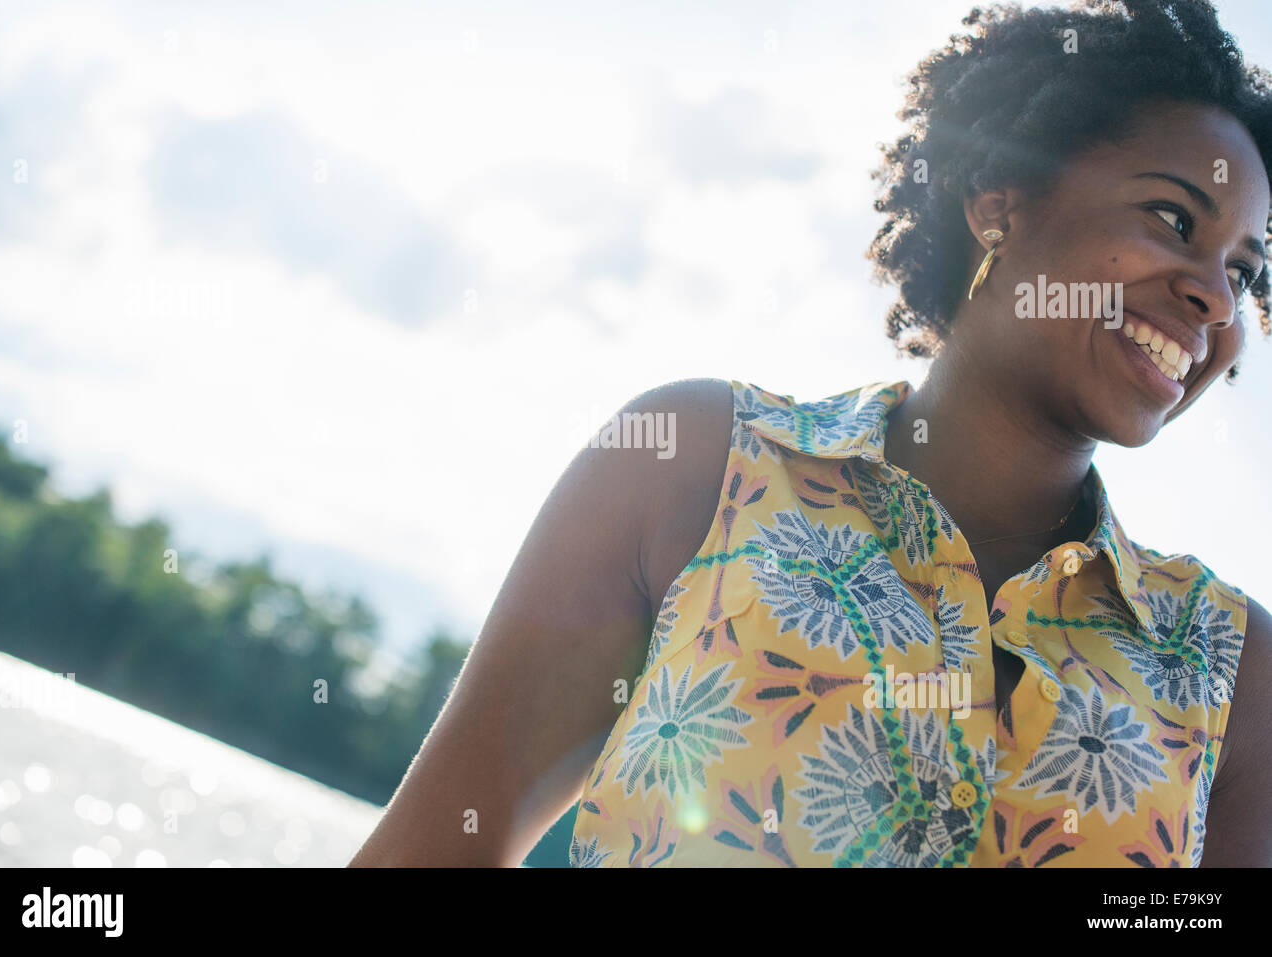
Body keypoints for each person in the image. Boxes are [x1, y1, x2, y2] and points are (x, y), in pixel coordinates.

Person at [350, 0, 1272, 867]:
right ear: (1002, 200)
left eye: (1245, 270)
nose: (1216, 297)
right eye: (1173, 218)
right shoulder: (695, 464)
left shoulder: (1234, 675)